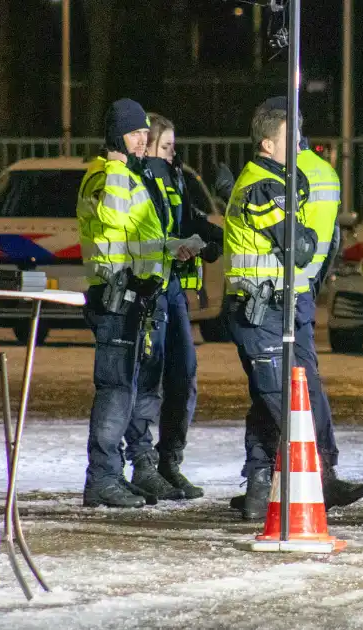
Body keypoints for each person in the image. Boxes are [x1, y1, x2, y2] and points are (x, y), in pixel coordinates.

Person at [222, 100, 363, 521]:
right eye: (290, 137)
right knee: (284, 402)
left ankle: (269, 487)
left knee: (289, 396)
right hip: (259, 309)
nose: (299, 143)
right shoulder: (265, 187)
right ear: (268, 143)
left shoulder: (277, 181)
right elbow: (300, 246)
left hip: (277, 305)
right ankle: (302, 486)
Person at [77, 99, 174, 508]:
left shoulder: (123, 175)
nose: (142, 141)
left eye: (144, 134)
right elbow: (115, 229)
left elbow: (135, 234)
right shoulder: (113, 175)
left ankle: (110, 474)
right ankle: (102, 478)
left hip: (132, 294)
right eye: (135, 134)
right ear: (118, 135)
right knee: (115, 390)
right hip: (117, 295)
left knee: (125, 389)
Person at [134, 112, 225, 500]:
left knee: (182, 376)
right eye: (166, 147)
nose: (173, 155)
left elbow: (188, 217)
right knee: (148, 379)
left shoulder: (176, 177)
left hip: (172, 288)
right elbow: (148, 233)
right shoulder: (140, 180)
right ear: (149, 146)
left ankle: (169, 461)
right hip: (147, 291)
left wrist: (211, 236)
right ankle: (142, 464)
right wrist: (179, 243)